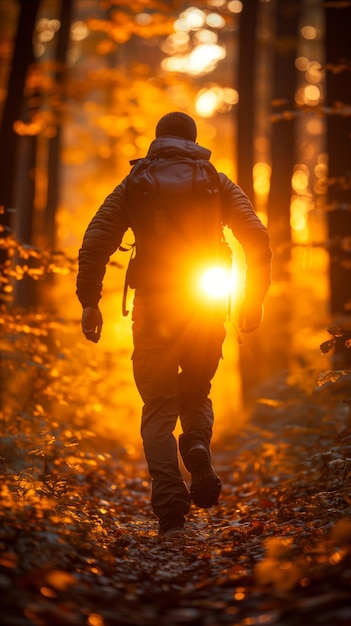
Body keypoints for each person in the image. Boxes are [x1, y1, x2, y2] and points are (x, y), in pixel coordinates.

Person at [76, 112, 272, 537]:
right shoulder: (214, 180)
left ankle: (170, 512)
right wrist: (253, 297)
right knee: (197, 390)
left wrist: (90, 302)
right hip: (204, 301)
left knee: (159, 408)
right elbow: (255, 235)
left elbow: (96, 240)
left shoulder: (136, 183)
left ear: (158, 140)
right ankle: (197, 442)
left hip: (155, 308)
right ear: (193, 141)